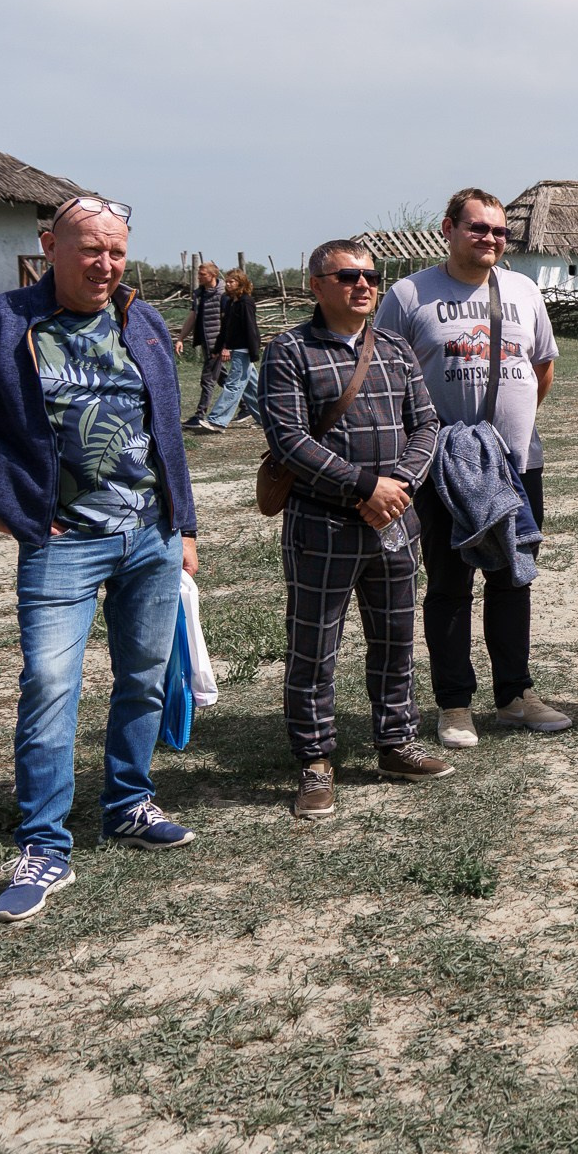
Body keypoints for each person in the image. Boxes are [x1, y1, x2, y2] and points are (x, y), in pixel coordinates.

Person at [0, 195, 199, 923]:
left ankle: (128, 804)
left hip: (148, 538)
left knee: (145, 680)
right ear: (50, 245)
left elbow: (166, 436)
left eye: (116, 251)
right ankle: (44, 847)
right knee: (51, 689)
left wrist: (182, 527)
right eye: (90, 249)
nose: (106, 264)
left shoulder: (140, 319)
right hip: (62, 547)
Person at [378, 188, 569, 746]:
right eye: (479, 228)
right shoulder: (409, 294)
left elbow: (542, 371)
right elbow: (390, 378)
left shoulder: (524, 291)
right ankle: (454, 703)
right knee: (450, 580)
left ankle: (514, 694)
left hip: (515, 462)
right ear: (449, 228)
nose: (491, 239)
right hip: (440, 465)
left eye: (500, 231)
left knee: (513, 575)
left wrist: (505, 436)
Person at [264, 239, 445, 819]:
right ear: (316, 284)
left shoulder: (393, 347)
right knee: (315, 647)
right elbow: (289, 440)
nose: (362, 285)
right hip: (322, 525)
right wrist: (367, 487)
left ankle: (395, 743)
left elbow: (427, 425)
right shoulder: (289, 351)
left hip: (395, 521)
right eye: (346, 276)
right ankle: (315, 761)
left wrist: (400, 487)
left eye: (369, 276)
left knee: (394, 641)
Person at [199, 268, 263, 430]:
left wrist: (253, 351)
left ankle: (217, 420)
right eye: (226, 281)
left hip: (243, 349)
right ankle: (266, 418)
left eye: (231, 281)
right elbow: (225, 328)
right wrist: (218, 348)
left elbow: (250, 328)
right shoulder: (230, 302)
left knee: (234, 385)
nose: (227, 284)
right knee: (251, 387)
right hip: (236, 349)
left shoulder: (245, 302)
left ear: (241, 283)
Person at [180, 262, 226, 427]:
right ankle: (246, 406)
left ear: (213, 275)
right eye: (199, 274)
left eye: (202, 274)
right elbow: (192, 317)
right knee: (223, 378)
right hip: (207, 343)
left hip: (218, 344)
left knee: (207, 379)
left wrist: (226, 345)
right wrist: (180, 338)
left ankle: (200, 415)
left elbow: (229, 321)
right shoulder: (199, 294)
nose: (199, 277)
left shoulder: (224, 294)